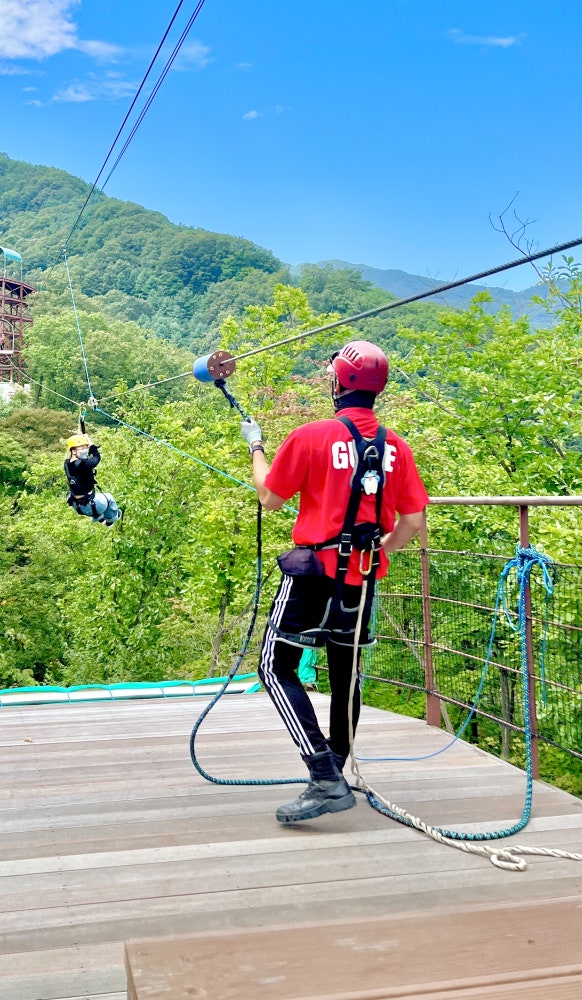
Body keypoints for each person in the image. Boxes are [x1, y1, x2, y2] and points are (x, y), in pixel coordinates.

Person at [240, 340, 428, 825]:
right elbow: (412, 524)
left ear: (338, 382)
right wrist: (375, 552)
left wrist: (256, 446)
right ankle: (334, 773)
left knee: (274, 667)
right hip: (361, 580)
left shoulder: (312, 435)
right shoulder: (396, 447)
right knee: (346, 675)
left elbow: (270, 497)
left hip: (314, 574)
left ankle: (324, 775)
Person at [64, 433, 122, 526]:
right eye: (82, 449)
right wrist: (89, 441)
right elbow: (96, 457)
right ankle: (111, 519)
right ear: (73, 451)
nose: (85, 451)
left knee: (97, 497)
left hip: (76, 505)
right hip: (91, 505)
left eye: (85, 448)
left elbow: (83, 459)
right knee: (109, 498)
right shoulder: (84, 465)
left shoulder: (67, 463)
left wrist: (82, 440)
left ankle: (99, 517)